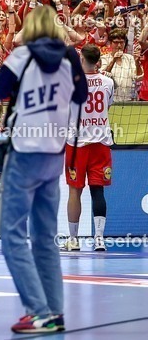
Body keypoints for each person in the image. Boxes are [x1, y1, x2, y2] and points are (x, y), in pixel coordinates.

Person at [0, 6, 87, 335]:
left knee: (12, 236)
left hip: (25, 152)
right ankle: (54, 312)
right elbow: (82, 95)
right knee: (45, 238)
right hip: (54, 155)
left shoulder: (22, 55)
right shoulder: (71, 58)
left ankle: (37, 311)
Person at [63, 44, 114, 253]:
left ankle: (73, 240)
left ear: (82, 60)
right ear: (98, 61)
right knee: (98, 191)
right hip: (101, 143)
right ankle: (99, 240)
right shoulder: (108, 82)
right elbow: (107, 105)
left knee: (74, 191)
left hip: (77, 145)